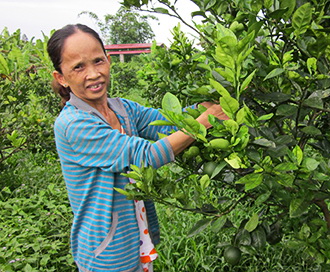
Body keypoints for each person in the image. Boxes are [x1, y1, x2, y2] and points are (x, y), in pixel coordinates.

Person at [47, 24, 227, 272]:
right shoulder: (73, 124)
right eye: (78, 67)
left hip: (138, 240)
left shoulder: (122, 109)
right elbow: (146, 156)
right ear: (61, 77)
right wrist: (202, 124)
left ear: (109, 61)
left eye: (98, 61)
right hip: (106, 254)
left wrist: (206, 107)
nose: (93, 73)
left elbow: (166, 124)